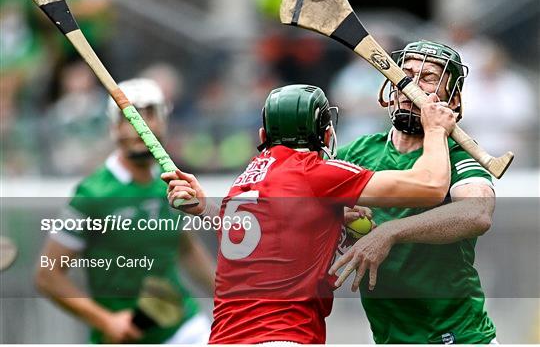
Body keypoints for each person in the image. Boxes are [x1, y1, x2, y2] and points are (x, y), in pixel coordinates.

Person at [163, 83, 456, 344]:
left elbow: (257, 238)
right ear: (326, 133)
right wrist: (435, 129)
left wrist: (204, 207)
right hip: (282, 335)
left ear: (263, 134)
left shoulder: (244, 182)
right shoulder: (314, 172)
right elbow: (430, 186)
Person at [331, 40, 497, 344]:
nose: (411, 86)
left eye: (429, 78)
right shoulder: (356, 153)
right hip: (387, 338)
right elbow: (301, 199)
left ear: (454, 100)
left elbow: (477, 213)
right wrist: (333, 214)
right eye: (405, 74)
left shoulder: (457, 155)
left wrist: (391, 232)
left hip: (459, 337)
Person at [35, 78, 215, 344]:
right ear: (113, 127)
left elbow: (185, 248)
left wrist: (229, 298)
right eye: (128, 117)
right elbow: (47, 275)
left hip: (182, 327)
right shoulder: (92, 195)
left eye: (150, 114)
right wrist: (105, 320)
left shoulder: (170, 182)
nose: (138, 127)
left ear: (164, 121)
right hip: (122, 337)